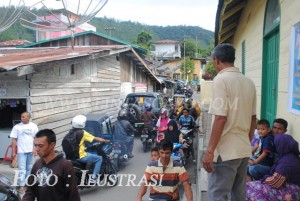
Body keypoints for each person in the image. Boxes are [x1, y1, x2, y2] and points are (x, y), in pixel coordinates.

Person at [202, 43, 257, 201]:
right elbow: (253, 118)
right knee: (238, 196)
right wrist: (246, 142)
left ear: (216, 60)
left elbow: (220, 117)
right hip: (242, 149)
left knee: (218, 196)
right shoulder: (248, 82)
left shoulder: (221, 79)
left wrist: (210, 151)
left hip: (225, 152)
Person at [22, 129, 80, 201]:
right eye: (35, 145)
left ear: (52, 145)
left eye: (40, 146)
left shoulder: (65, 165)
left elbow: (73, 194)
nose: (37, 149)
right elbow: (30, 191)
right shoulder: (37, 164)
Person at [246, 134, 300, 201]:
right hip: (286, 185)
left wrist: (265, 179)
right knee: (250, 186)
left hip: (292, 190)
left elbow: (275, 183)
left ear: (282, 145)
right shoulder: (288, 156)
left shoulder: (286, 162)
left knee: (252, 189)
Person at [71, 115, 110, 184]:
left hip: (72, 156)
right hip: (81, 156)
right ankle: (93, 178)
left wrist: (84, 148)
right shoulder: (82, 133)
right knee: (99, 158)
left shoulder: (71, 133)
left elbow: (76, 144)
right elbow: (96, 138)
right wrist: (105, 141)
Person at [10, 112, 39, 194]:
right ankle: (21, 186)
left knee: (29, 168)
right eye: (21, 117)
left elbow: (36, 138)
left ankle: (28, 184)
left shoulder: (33, 126)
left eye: (23, 117)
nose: (21, 118)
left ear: (28, 118)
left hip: (31, 151)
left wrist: (35, 149)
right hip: (21, 151)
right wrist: (13, 151)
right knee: (22, 169)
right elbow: (14, 140)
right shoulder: (17, 127)